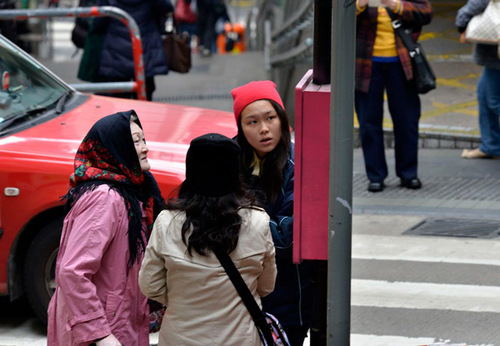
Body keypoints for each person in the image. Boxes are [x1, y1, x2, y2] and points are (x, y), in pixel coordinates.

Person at [139, 133, 276, 345]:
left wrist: (183, 296)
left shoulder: (167, 221)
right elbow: (266, 286)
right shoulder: (258, 221)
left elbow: (150, 285)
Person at [47, 110, 164, 346]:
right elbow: (73, 272)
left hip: (118, 322)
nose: (145, 147)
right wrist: (100, 335)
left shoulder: (132, 191)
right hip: (102, 332)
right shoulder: (105, 198)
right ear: (116, 148)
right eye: (135, 141)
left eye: (143, 139)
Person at [231, 80, 313, 346]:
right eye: (252, 122)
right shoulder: (230, 162)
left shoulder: (298, 163)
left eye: (270, 118)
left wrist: (236, 218)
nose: (264, 129)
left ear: (282, 118)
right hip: (237, 301)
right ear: (241, 129)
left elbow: (288, 239)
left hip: (288, 301)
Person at [355, 0, 433, 192]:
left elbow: (426, 13)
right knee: (368, 122)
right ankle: (376, 176)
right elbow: (336, 17)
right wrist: (359, 5)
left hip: (402, 63)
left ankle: (408, 174)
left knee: (407, 120)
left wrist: (396, 5)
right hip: (366, 63)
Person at [93, 0, 174, 101]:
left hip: (116, 50)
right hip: (145, 49)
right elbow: (167, 7)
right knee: (144, 95)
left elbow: (99, 23)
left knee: (120, 98)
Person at [456, 0, 500, 159]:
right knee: (484, 96)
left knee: (492, 100)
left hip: (496, 54)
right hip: (494, 53)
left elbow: (478, 2)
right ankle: (491, 145)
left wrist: (462, 22)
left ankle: (491, 145)